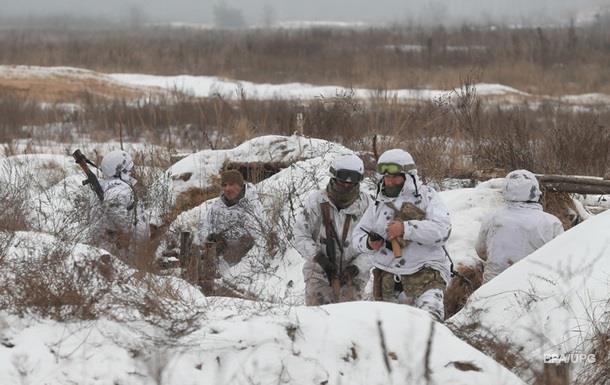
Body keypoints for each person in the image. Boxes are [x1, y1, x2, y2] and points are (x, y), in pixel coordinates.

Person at [352, 149, 451, 321]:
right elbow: (357, 236)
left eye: (396, 176)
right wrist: (368, 243)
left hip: (425, 277)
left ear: (408, 176)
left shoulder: (428, 196)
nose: (390, 181)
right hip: (387, 282)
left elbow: (442, 231)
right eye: (387, 177)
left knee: (431, 330)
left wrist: (406, 229)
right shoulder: (378, 203)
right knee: (391, 337)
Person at [294, 154, 372, 306]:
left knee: (348, 321)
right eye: (342, 182)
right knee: (317, 318)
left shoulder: (368, 205)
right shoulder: (316, 201)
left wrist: (356, 268)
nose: (346, 186)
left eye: (351, 184)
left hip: (353, 276)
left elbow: (375, 246)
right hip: (318, 272)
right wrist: (319, 259)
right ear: (333, 178)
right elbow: (300, 235)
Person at [476, 169, 564, 283]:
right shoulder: (551, 223)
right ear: (535, 190)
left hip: (492, 286)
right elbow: (560, 259)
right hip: (532, 289)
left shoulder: (492, 218)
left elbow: (481, 250)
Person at [198, 169, 264, 267]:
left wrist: (231, 241)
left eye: (231, 184)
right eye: (224, 185)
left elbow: (258, 234)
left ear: (240, 186)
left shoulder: (252, 205)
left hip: (245, 264)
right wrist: (210, 237)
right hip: (218, 261)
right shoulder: (216, 206)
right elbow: (204, 228)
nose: (227, 188)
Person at [95, 149, 149, 260]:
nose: (132, 171)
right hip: (122, 252)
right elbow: (113, 207)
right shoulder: (118, 188)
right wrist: (125, 233)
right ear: (121, 171)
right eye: (129, 169)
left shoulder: (116, 186)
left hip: (126, 251)